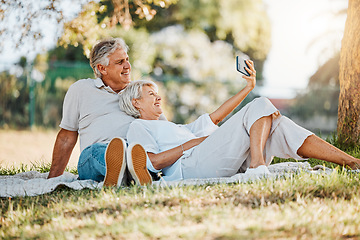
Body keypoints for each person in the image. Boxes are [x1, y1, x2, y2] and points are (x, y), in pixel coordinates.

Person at [119, 60, 360, 181]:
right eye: (151, 94)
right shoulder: (138, 126)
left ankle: (350, 162)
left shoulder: (177, 128)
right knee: (261, 105)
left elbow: (218, 115)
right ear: (136, 103)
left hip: (208, 155)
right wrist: (190, 145)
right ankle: (257, 165)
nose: (158, 96)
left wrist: (248, 88)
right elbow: (150, 163)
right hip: (189, 168)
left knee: (278, 124)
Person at [47, 38, 153, 187]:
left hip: (135, 151)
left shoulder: (139, 92)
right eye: (120, 62)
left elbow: (163, 128)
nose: (128, 66)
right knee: (96, 151)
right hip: (95, 158)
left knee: (137, 152)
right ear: (102, 68)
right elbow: (66, 136)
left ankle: (127, 174)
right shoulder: (82, 89)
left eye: (127, 60)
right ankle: (127, 173)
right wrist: (52, 180)